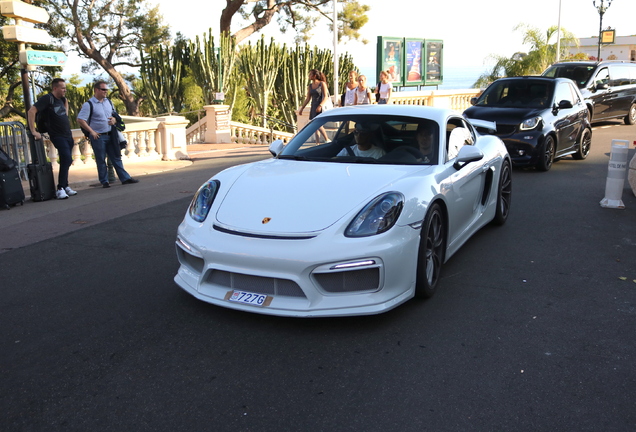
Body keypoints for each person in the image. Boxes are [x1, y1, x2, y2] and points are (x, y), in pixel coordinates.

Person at [77, 81, 138, 188]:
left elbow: (114, 114)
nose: (106, 92)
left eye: (106, 90)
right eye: (103, 89)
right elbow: (81, 119)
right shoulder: (89, 104)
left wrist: (114, 120)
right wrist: (92, 132)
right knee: (101, 159)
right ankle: (104, 181)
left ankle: (125, 178)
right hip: (98, 136)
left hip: (111, 133)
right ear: (96, 90)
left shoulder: (108, 102)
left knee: (116, 156)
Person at [27, 78, 78, 200]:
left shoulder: (63, 100)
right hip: (56, 134)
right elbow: (31, 111)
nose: (65, 90)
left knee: (67, 160)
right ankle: (60, 188)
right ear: (55, 88)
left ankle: (65, 186)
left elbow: (64, 114)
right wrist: (33, 130)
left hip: (67, 134)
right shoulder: (47, 99)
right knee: (66, 157)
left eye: (65, 88)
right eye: (62, 88)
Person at [298, 69, 330, 142]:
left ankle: (327, 139)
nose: (309, 76)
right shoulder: (310, 86)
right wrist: (302, 108)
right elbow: (308, 98)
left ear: (314, 76)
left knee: (318, 124)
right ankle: (317, 142)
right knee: (315, 126)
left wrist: (320, 105)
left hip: (320, 106)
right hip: (313, 106)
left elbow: (326, 96)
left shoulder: (322, 84)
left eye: (310, 74)